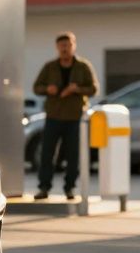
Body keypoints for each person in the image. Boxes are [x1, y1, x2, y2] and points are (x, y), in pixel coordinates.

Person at [33, 32, 99, 199]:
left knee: (73, 155)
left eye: (68, 45)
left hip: (74, 117)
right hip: (53, 116)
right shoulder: (50, 67)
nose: (65, 49)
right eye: (62, 46)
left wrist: (76, 89)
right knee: (47, 154)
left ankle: (70, 188)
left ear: (73, 46)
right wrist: (48, 89)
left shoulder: (83, 66)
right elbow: (37, 87)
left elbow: (94, 89)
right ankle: (44, 187)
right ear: (57, 47)